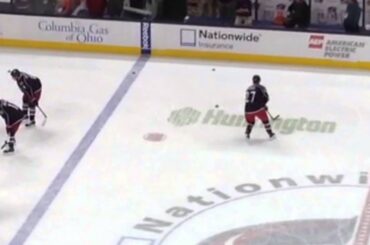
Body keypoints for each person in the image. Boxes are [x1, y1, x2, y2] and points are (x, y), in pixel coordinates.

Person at [244, 75, 275, 139]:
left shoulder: (248, 88)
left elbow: (249, 99)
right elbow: (266, 98)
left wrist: (262, 104)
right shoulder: (261, 87)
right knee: (265, 121)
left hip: (247, 110)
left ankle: (247, 133)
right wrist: (263, 105)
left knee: (251, 122)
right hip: (258, 109)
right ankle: (270, 134)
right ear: (259, 80)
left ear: (253, 80)